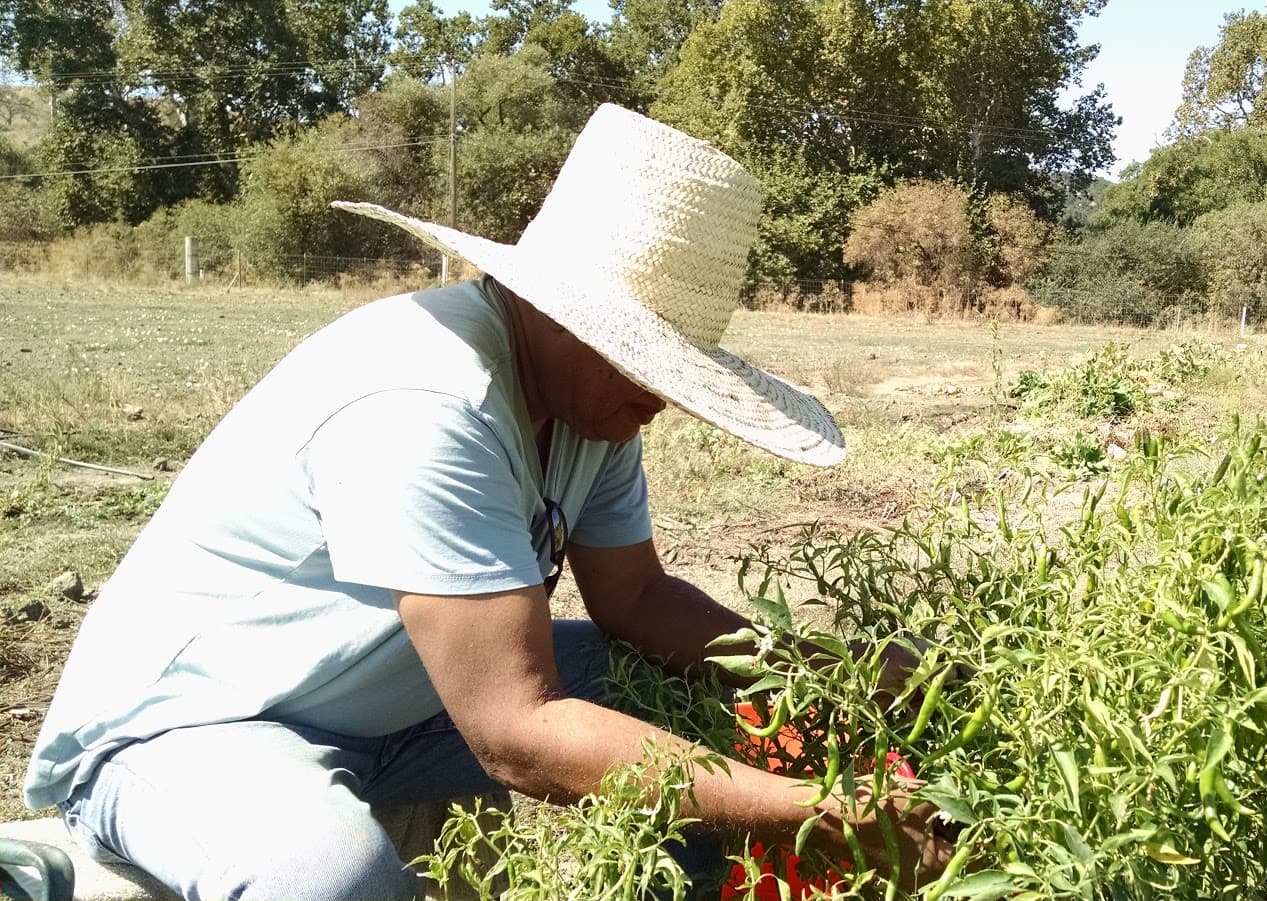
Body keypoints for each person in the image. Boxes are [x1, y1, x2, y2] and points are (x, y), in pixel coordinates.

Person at [22, 104, 950, 899]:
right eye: (646, 360)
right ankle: (61, 858)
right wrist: (814, 813)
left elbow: (636, 603)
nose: (660, 398)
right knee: (330, 878)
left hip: (401, 703)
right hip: (205, 720)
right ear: (557, 312)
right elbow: (517, 728)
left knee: (683, 687)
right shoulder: (429, 401)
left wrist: (820, 672)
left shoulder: (592, 408)